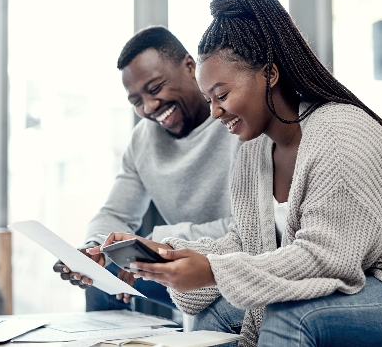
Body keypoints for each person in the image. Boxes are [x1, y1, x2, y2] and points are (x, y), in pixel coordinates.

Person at [91, 0, 382, 347]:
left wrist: (213, 271)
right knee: (217, 310)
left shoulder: (340, 131)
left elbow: (328, 258)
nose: (215, 112)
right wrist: (170, 252)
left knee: (290, 315)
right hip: (356, 279)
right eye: (209, 98)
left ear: (270, 73)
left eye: (222, 94)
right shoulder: (253, 151)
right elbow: (246, 244)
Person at [53, 26, 242, 311]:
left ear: (190, 66)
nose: (150, 106)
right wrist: (94, 251)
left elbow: (247, 229)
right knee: (102, 280)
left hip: (229, 264)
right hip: (173, 261)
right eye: (136, 101)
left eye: (155, 88)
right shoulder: (143, 139)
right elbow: (115, 213)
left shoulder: (237, 121)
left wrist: (156, 243)